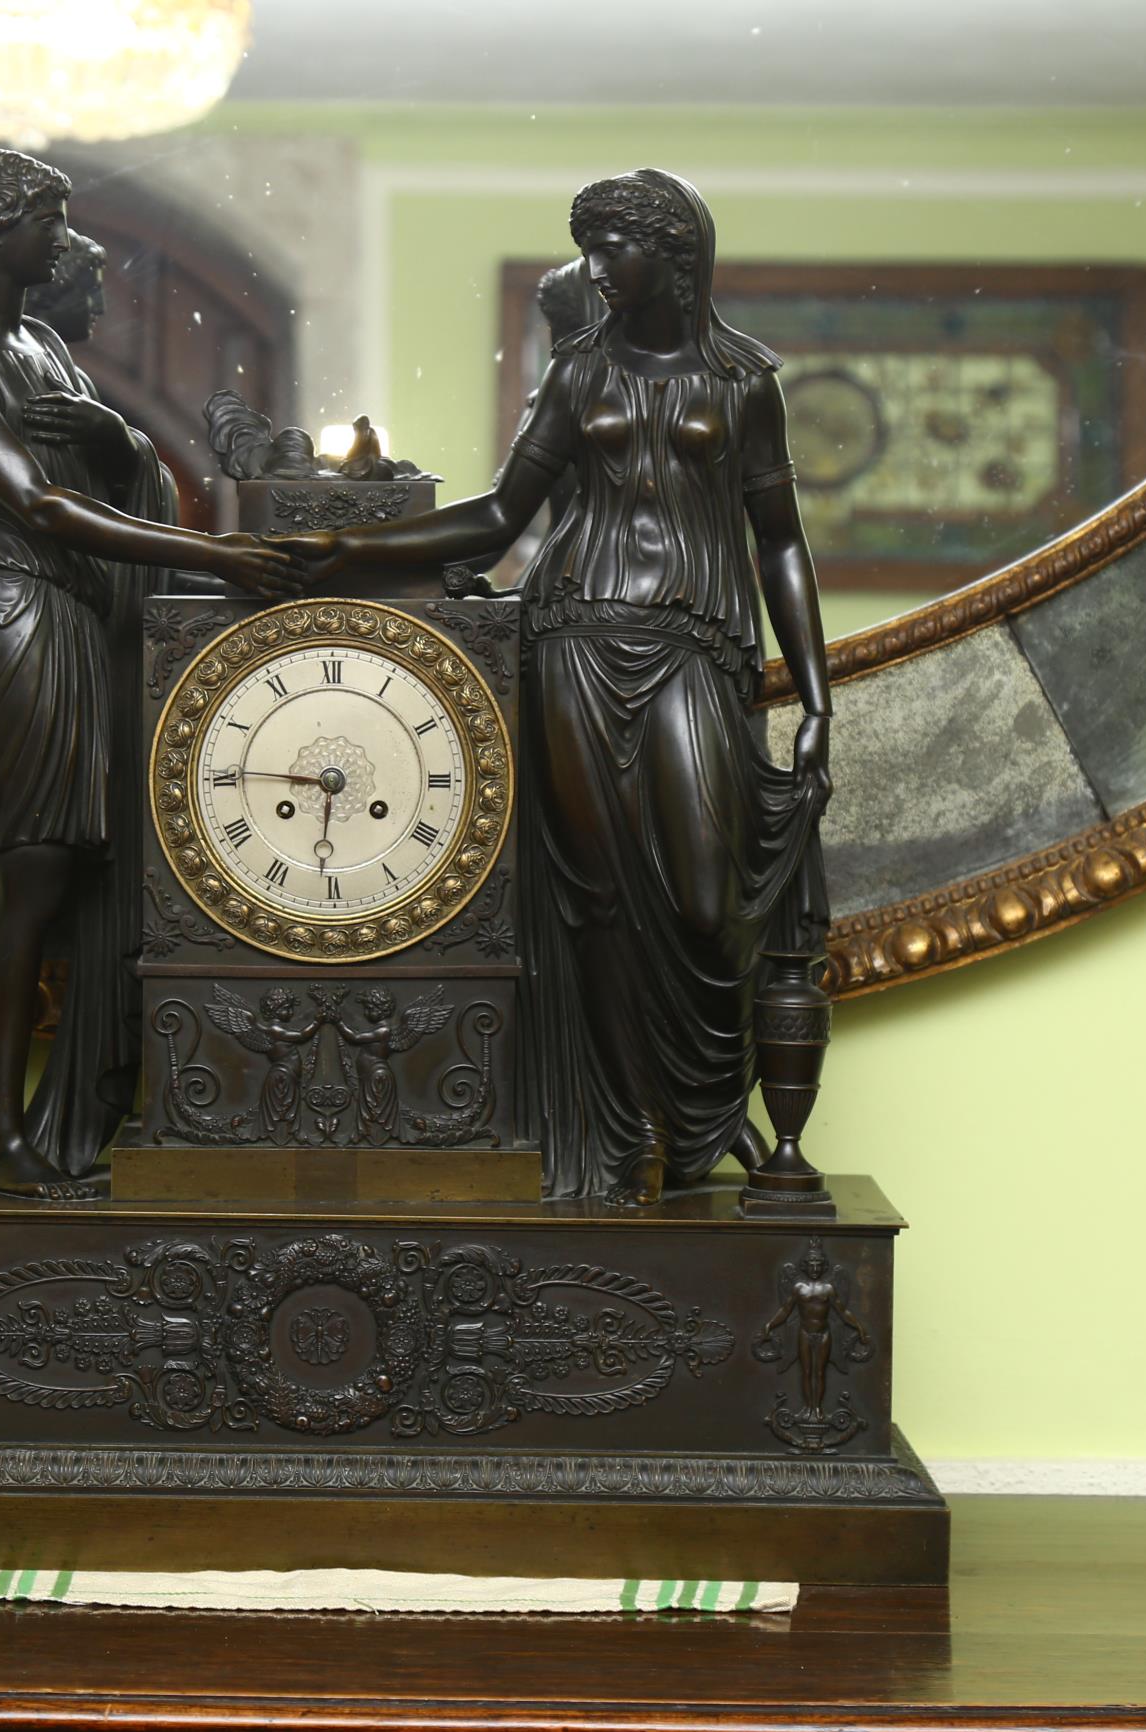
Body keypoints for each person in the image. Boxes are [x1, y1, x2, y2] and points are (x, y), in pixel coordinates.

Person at [275, 168, 833, 1205]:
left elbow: (780, 545)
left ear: (672, 253)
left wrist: (814, 695)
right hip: (574, 632)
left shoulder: (744, 379)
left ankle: (703, 1110)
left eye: (612, 247)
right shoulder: (577, 372)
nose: (594, 270)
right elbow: (499, 516)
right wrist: (353, 543)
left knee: (707, 899)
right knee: (598, 901)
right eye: (589, 250)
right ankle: (623, 1137)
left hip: (694, 644)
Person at [0, 149, 299, 1201]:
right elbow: (40, 508)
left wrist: (120, 440)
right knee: (31, 882)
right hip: (13, 614)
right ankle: (2, 1147)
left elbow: (108, 482)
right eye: (49, 222)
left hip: (69, 619)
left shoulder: (35, 343)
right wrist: (220, 558)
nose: (64, 242)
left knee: (53, 885)